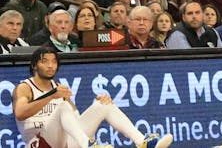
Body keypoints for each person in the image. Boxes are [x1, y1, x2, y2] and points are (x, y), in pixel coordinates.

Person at [14, 46, 172, 148]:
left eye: (54, 62)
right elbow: (20, 113)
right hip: (40, 143)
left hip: (67, 143)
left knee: (103, 104)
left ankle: (142, 142)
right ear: (34, 65)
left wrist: (95, 107)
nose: (50, 65)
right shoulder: (25, 87)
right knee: (62, 106)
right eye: (45, 62)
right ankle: (88, 145)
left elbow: (74, 120)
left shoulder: (58, 87)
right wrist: (51, 96)